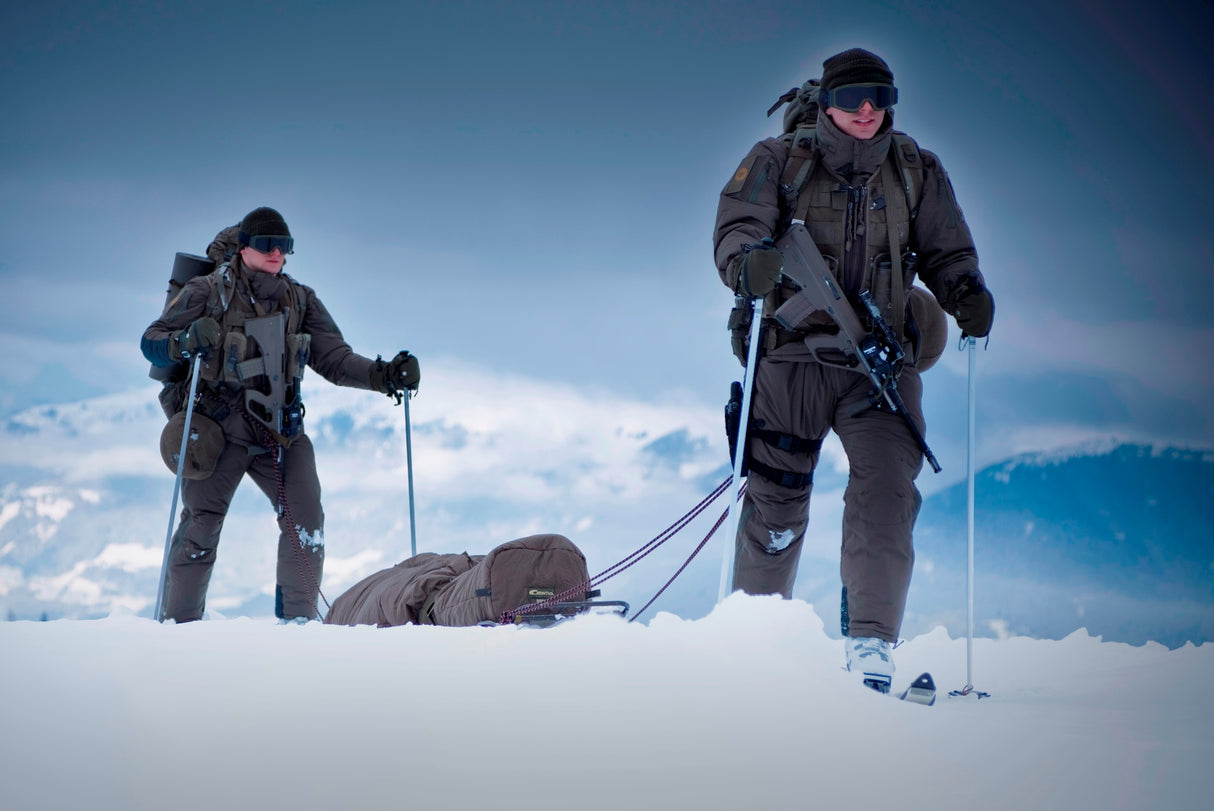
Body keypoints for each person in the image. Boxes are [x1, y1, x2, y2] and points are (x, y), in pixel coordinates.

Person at [713, 48, 995, 691]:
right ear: (826, 104)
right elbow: (737, 227)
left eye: (880, 96)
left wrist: (966, 291)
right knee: (775, 508)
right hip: (790, 359)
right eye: (851, 97)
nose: (867, 109)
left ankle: (870, 646)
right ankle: (750, 646)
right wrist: (747, 263)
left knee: (888, 496)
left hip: (881, 366)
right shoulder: (776, 161)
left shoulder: (916, 170)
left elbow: (947, 250)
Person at [142, 206, 421, 623]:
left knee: (306, 523)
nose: (276, 253)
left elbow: (336, 360)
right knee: (200, 529)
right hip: (217, 433)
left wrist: (383, 376)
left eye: (284, 246)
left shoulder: (300, 298)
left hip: (281, 433)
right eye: (266, 245)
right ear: (243, 248)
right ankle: (177, 631)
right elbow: (152, 341)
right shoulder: (205, 292)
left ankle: (298, 628)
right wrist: (184, 340)